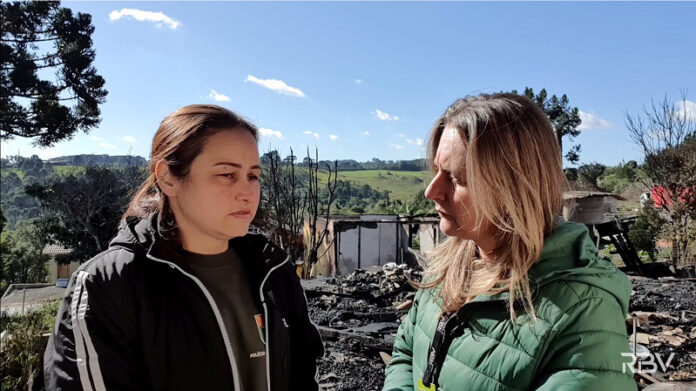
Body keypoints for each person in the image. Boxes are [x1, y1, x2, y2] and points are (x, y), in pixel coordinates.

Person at [44, 104, 324, 391]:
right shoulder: (108, 286)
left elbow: (303, 373)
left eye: (253, 176)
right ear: (167, 178)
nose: (247, 193)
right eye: (227, 174)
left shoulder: (274, 272)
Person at [382, 93, 637, 391]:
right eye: (437, 170)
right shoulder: (445, 267)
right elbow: (405, 354)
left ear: (514, 189)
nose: (431, 191)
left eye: (457, 179)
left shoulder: (584, 315)